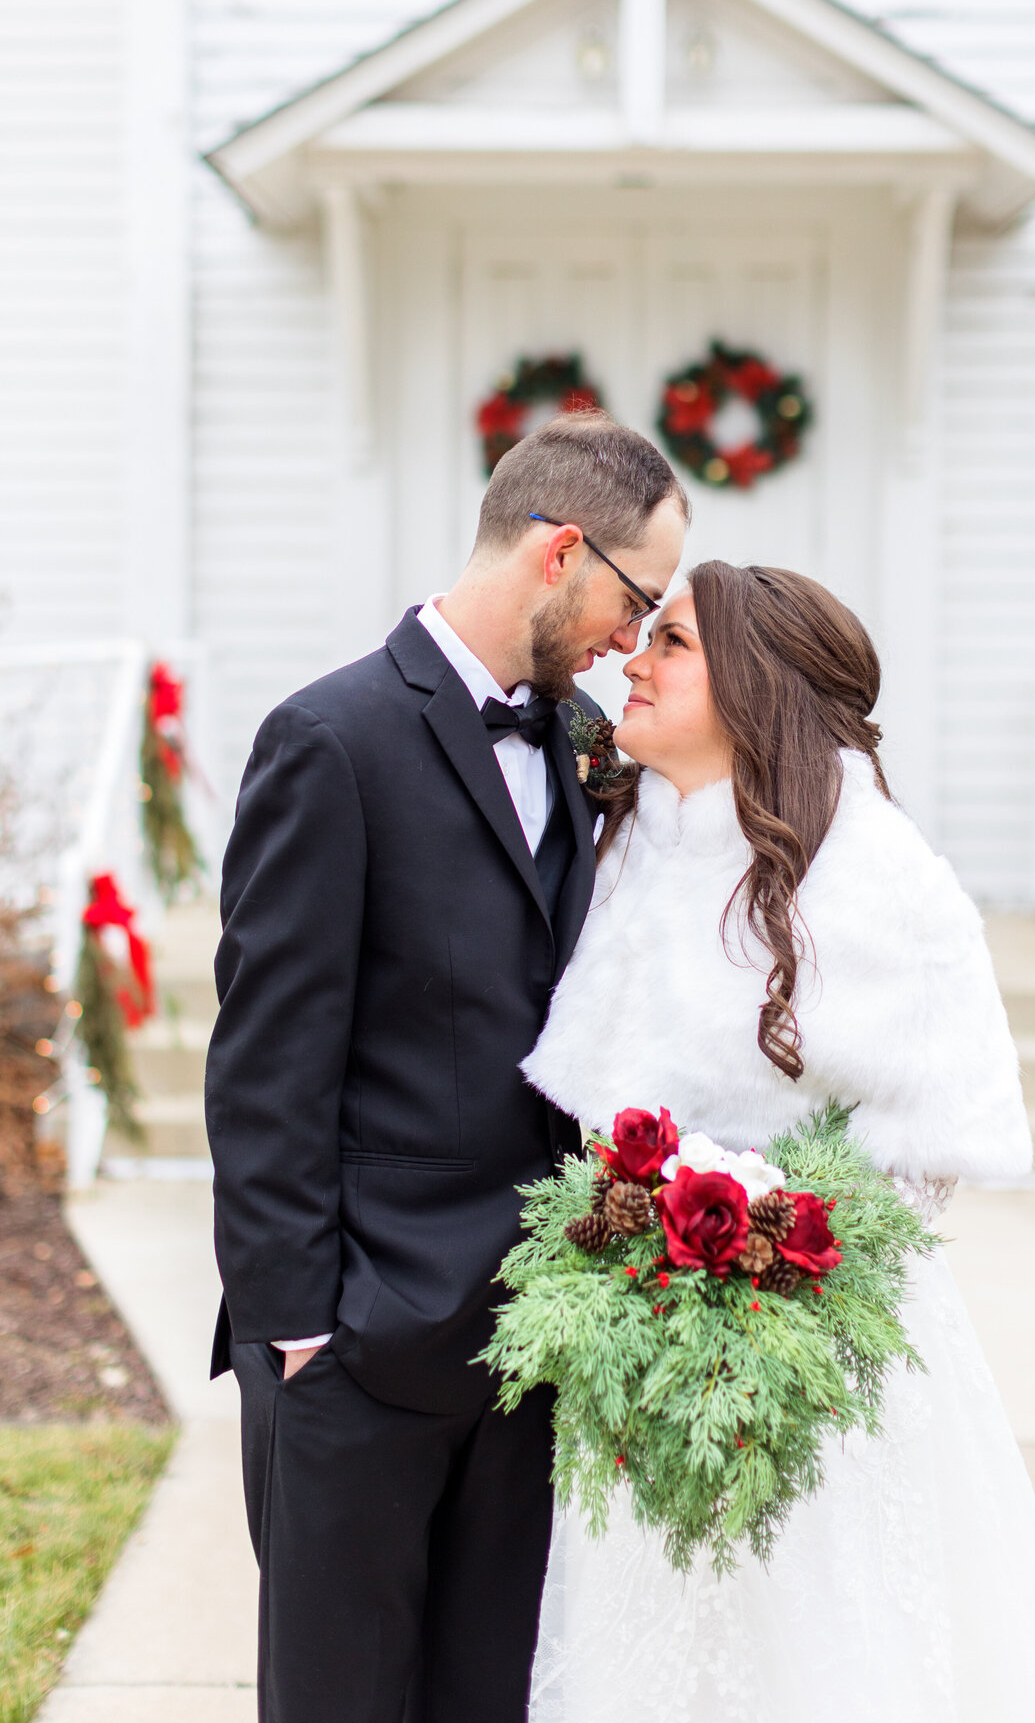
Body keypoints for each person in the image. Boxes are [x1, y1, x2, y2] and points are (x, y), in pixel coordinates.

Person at [521, 561, 1035, 1723]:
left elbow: (930, 1160)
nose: (630, 661)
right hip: (631, 1357)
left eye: (672, 643)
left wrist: (763, 1263)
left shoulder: (883, 878)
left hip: (815, 1373)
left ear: (756, 689)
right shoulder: (633, 848)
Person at [203, 411, 689, 1723]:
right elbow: (265, 1061)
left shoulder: (591, 743)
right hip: (360, 1344)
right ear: (561, 552)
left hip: (534, 1348)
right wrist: (299, 1329)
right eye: (635, 599)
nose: (632, 640)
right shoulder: (331, 738)